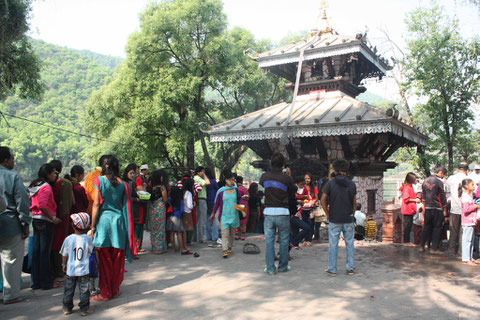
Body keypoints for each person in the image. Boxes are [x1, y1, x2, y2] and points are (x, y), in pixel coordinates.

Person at [90, 155, 135, 301]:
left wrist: (92, 226)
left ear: (106, 166)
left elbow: (96, 204)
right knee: (117, 258)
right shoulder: (123, 184)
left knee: (104, 259)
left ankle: (105, 292)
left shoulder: (99, 181)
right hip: (119, 223)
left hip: (104, 222)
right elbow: (125, 206)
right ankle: (115, 289)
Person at [0, 147, 31, 304]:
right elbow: (22, 202)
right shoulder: (13, 177)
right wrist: (25, 224)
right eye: (12, 158)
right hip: (10, 224)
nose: (13, 161)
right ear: (6, 160)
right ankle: (11, 295)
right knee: (11, 260)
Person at [259, 153, 296, 275]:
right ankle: (283, 266)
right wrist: (288, 176)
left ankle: (270, 268)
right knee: (284, 241)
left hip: (268, 213)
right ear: (283, 165)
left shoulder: (264, 176)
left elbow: (263, 185)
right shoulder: (287, 178)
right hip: (283, 212)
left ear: (271, 163)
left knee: (269, 241)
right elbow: (293, 190)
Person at [28, 163, 62, 290]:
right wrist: (52, 218)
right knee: (44, 253)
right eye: (54, 173)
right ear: (48, 174)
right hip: (45, 221)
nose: (55, 175)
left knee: (37, 252)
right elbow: (43, 205)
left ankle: (36, 281)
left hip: (36, 220)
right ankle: (46, 282)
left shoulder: (35, 186)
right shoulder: (46, 187)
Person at [320, 160, 357, 276]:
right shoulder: (352, 184)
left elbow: (322, 200)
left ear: (335, 169)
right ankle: (350, 268)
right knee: (350, 243)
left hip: (334, 218)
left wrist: (327, 213)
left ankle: (332, 269)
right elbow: (355, 203)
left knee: (333, 244)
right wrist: (352, 213)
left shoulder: (330, 183)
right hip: (348, 218)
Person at [60, 212, 93, 316]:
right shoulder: (87, 239)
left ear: (72, 225)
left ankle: (67, 308)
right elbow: (90, 252)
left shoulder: (68, 239)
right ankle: (84, 309)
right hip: (84, 270)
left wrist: (64, 265)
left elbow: (64, 254)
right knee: (84, 290)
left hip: (71, 269)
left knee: (69, 290)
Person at [50, 159, 75, 281]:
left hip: (51, 217)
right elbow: (73, 202)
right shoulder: (66, 183)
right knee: (62, 243)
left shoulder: (48, 183)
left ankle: (55, 269)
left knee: (54, 243)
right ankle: (61, 268)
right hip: (64, 216)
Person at [210, 171, 241, 258]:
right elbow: (216, 204)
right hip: (224, 217)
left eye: (233, 180)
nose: (232, 182)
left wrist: (242, 210)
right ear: (226, 180)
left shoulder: (236, 190)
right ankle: (224, 250)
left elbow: (239, 201)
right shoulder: (221, 191)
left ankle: (229, 247)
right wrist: (213, 214)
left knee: (232, 234)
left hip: (234, 216)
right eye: (231, 180)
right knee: (225, 234)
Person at [420, 165, 448, 253]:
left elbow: (423, 196)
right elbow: (443, 197)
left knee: (426, 227)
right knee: (437, 228)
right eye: (443, 174)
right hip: (437, 208)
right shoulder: (439, 182)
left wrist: (424, 208)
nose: (443, 176)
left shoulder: (425, 181)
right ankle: (434, 248)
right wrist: (444, 209)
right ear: (440, 172)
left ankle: (422, 246)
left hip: (427, 207)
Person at [446, 162, 469, 256]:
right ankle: (461, 251)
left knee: (453, 230)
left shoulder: (451, 178)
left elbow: (447, 189)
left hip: (454, 208)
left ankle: (451, 250)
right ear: (467, 170)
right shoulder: (469, 178)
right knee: (462, 232)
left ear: (457, 169)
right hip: (465, 209)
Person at [146, 170, 169, 254]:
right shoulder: (162, 187)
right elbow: (165, 199)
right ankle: (160, 248)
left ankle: (154, 247)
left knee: (154, 229)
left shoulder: (150, 187)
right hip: (160, 209)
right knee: (160, 229)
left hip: (151, 209)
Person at [459, 178, 480, 264]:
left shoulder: (469, 195)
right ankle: (466, 259)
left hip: (471, 221)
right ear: (466, 186)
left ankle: (470, 257)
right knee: (467, 240)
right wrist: (475, 206)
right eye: (472, 185)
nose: (474, 186)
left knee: (470, 240)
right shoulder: (465, 197)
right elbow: (466, 209)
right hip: (467, 221)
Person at [167, 186, 190, 254]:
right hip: (177, 217)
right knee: (179, 233)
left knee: (172, 233)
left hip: (170, 217)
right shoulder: (180, 200)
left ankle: (174, 248)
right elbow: (182, 210)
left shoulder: (169, 199)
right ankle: (181, 248)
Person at [400, 172, 421, 246]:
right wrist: (415, 200)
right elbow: (406, 199)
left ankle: (407, 241)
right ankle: (406, 241)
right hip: (407, 210)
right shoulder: (407, 187)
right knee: (407, 226)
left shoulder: (409, 186)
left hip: (410, 209)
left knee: (408, 226)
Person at [134, 164, 149, 252]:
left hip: (141, 203)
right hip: (140, 203)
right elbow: (140, 190)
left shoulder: (142, 178)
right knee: (139, 225)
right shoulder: (139, 178)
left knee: (140, 224)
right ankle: (137, 246)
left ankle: (138, 246)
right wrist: (144, 187)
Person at [194, 166, 210, 244]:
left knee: (198, 220)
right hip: (201, 199)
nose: (204, 173)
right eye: (202, 171)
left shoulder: (195, 178)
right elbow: (208, 182)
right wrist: (204, 176)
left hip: (199, 200)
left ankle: (197, 237)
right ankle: (201, 238)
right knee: (202, 220)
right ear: (198, 172)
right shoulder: (198, 179)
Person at [205, 168, 220, 247]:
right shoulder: (213, 182)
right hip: (213, 201)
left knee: (207, 218)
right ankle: (215, 236)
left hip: (205, 201)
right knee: (214, 218)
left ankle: (208, 236)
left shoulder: (203, 181)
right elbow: (218, 190)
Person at [181, 178, 195, 254]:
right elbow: (190, 205)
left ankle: (184, 242)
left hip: (183, 211)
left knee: (184, 227)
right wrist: (192, 206)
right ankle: (186, 242)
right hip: (188, 211)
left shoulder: (183, 192)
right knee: (188, 228)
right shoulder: (189, 193)